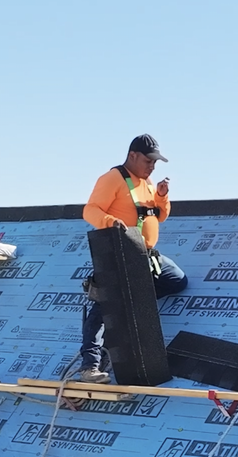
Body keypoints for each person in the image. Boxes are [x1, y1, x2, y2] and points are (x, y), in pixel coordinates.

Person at [79, 135, 189, 383]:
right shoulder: (113, 179)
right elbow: (90, 210)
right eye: (149, 160)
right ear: (133, 156)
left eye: (155, 162)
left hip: (146, 256)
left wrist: (161, 196)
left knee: (177, 281)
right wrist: (109, 222)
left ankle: (132, 300)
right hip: (120, 254)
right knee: (105, 307)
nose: (152, 166)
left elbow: (159, 217)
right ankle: (90, 367)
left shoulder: (146, 182)